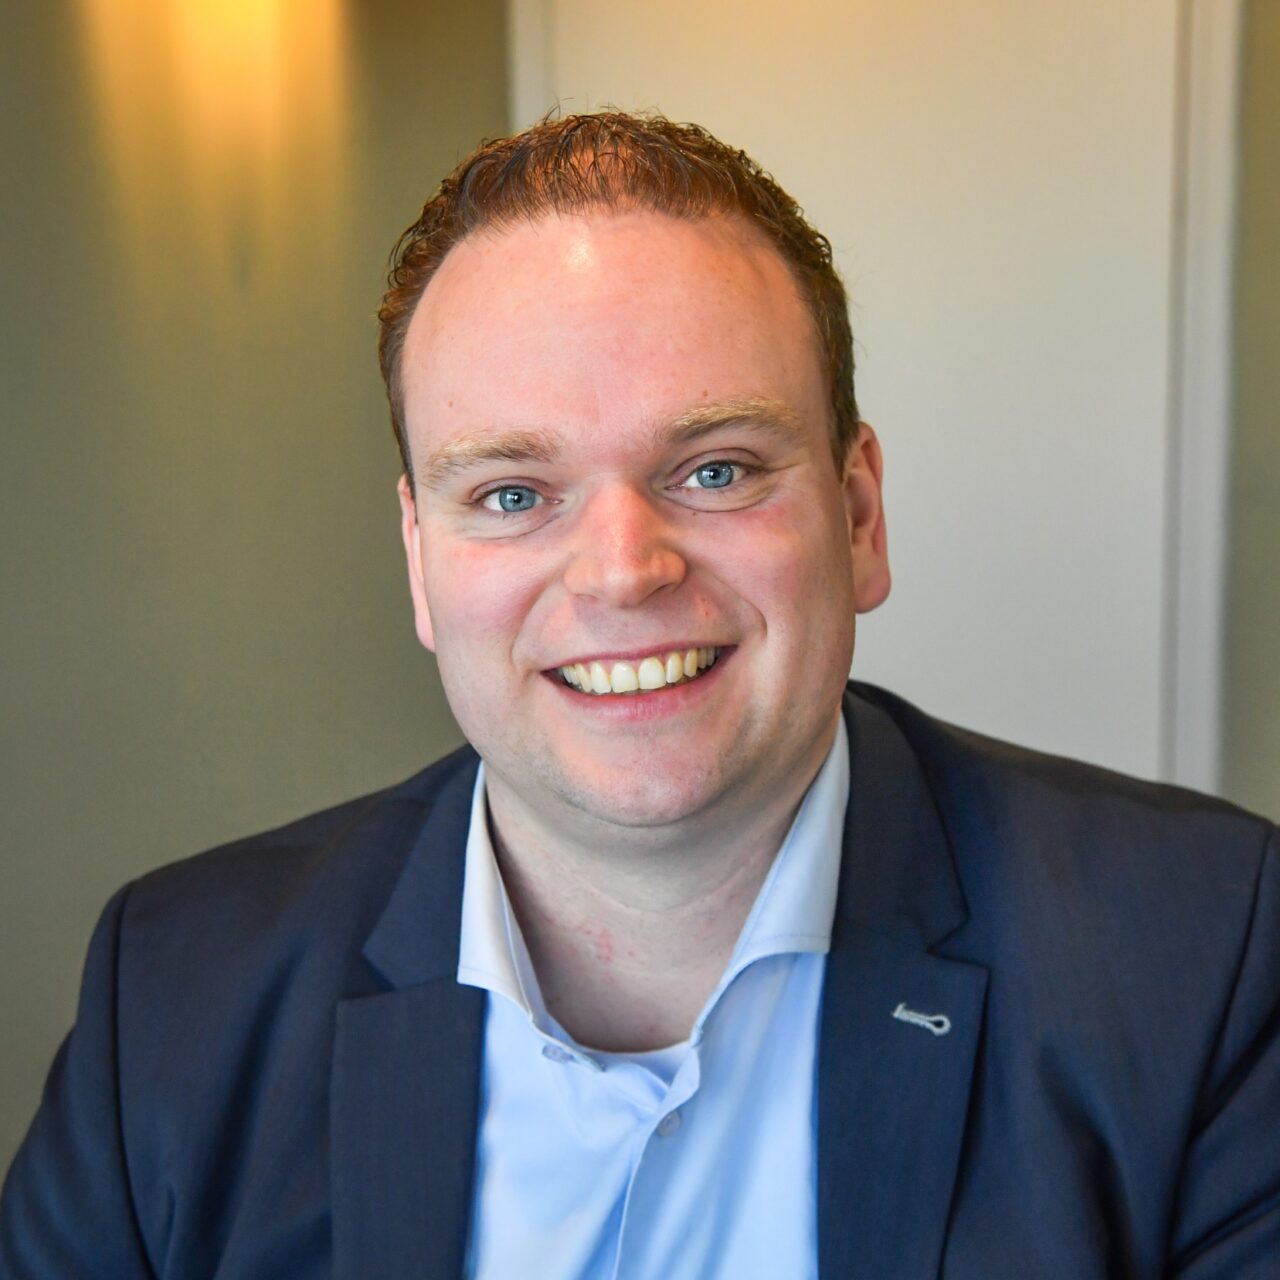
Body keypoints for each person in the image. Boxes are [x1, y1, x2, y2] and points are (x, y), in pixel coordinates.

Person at [2, 112, 1276, 1280]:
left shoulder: (1206, 955)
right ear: (420, 560)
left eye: (715, 469)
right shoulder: (169, 997)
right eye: (511, 493)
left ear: (857, 516)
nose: (622, 571)